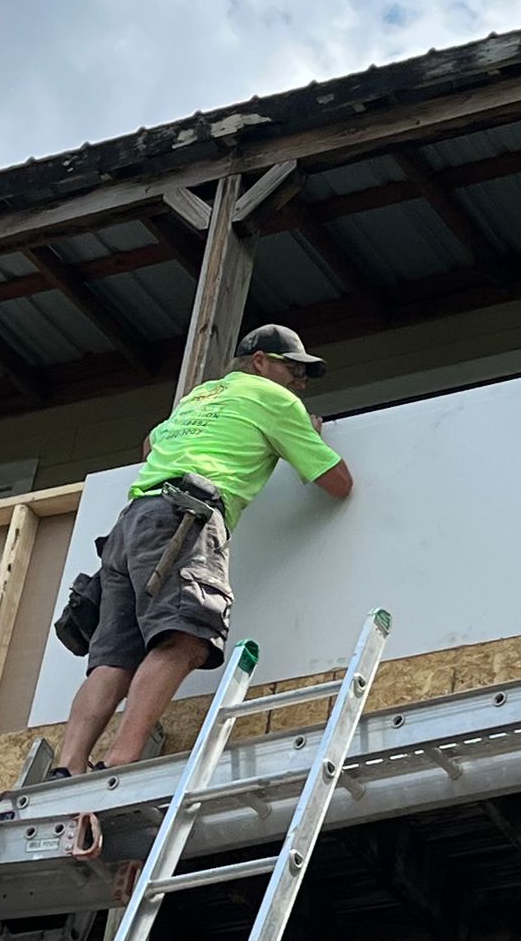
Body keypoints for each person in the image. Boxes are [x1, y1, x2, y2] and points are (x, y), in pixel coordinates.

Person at [56, 324, 354, 773]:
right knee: (187, 639)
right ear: (259, 362)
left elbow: (149, 444)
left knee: (116, 656)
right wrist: (304, 435)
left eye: (304, 375)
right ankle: (120, 763)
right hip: (184, 519)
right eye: (292, 368)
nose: (300, 380)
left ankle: (69, 765)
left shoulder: (201, 396)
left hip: (131, 524)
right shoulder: (275, 400)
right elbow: (339, 485)